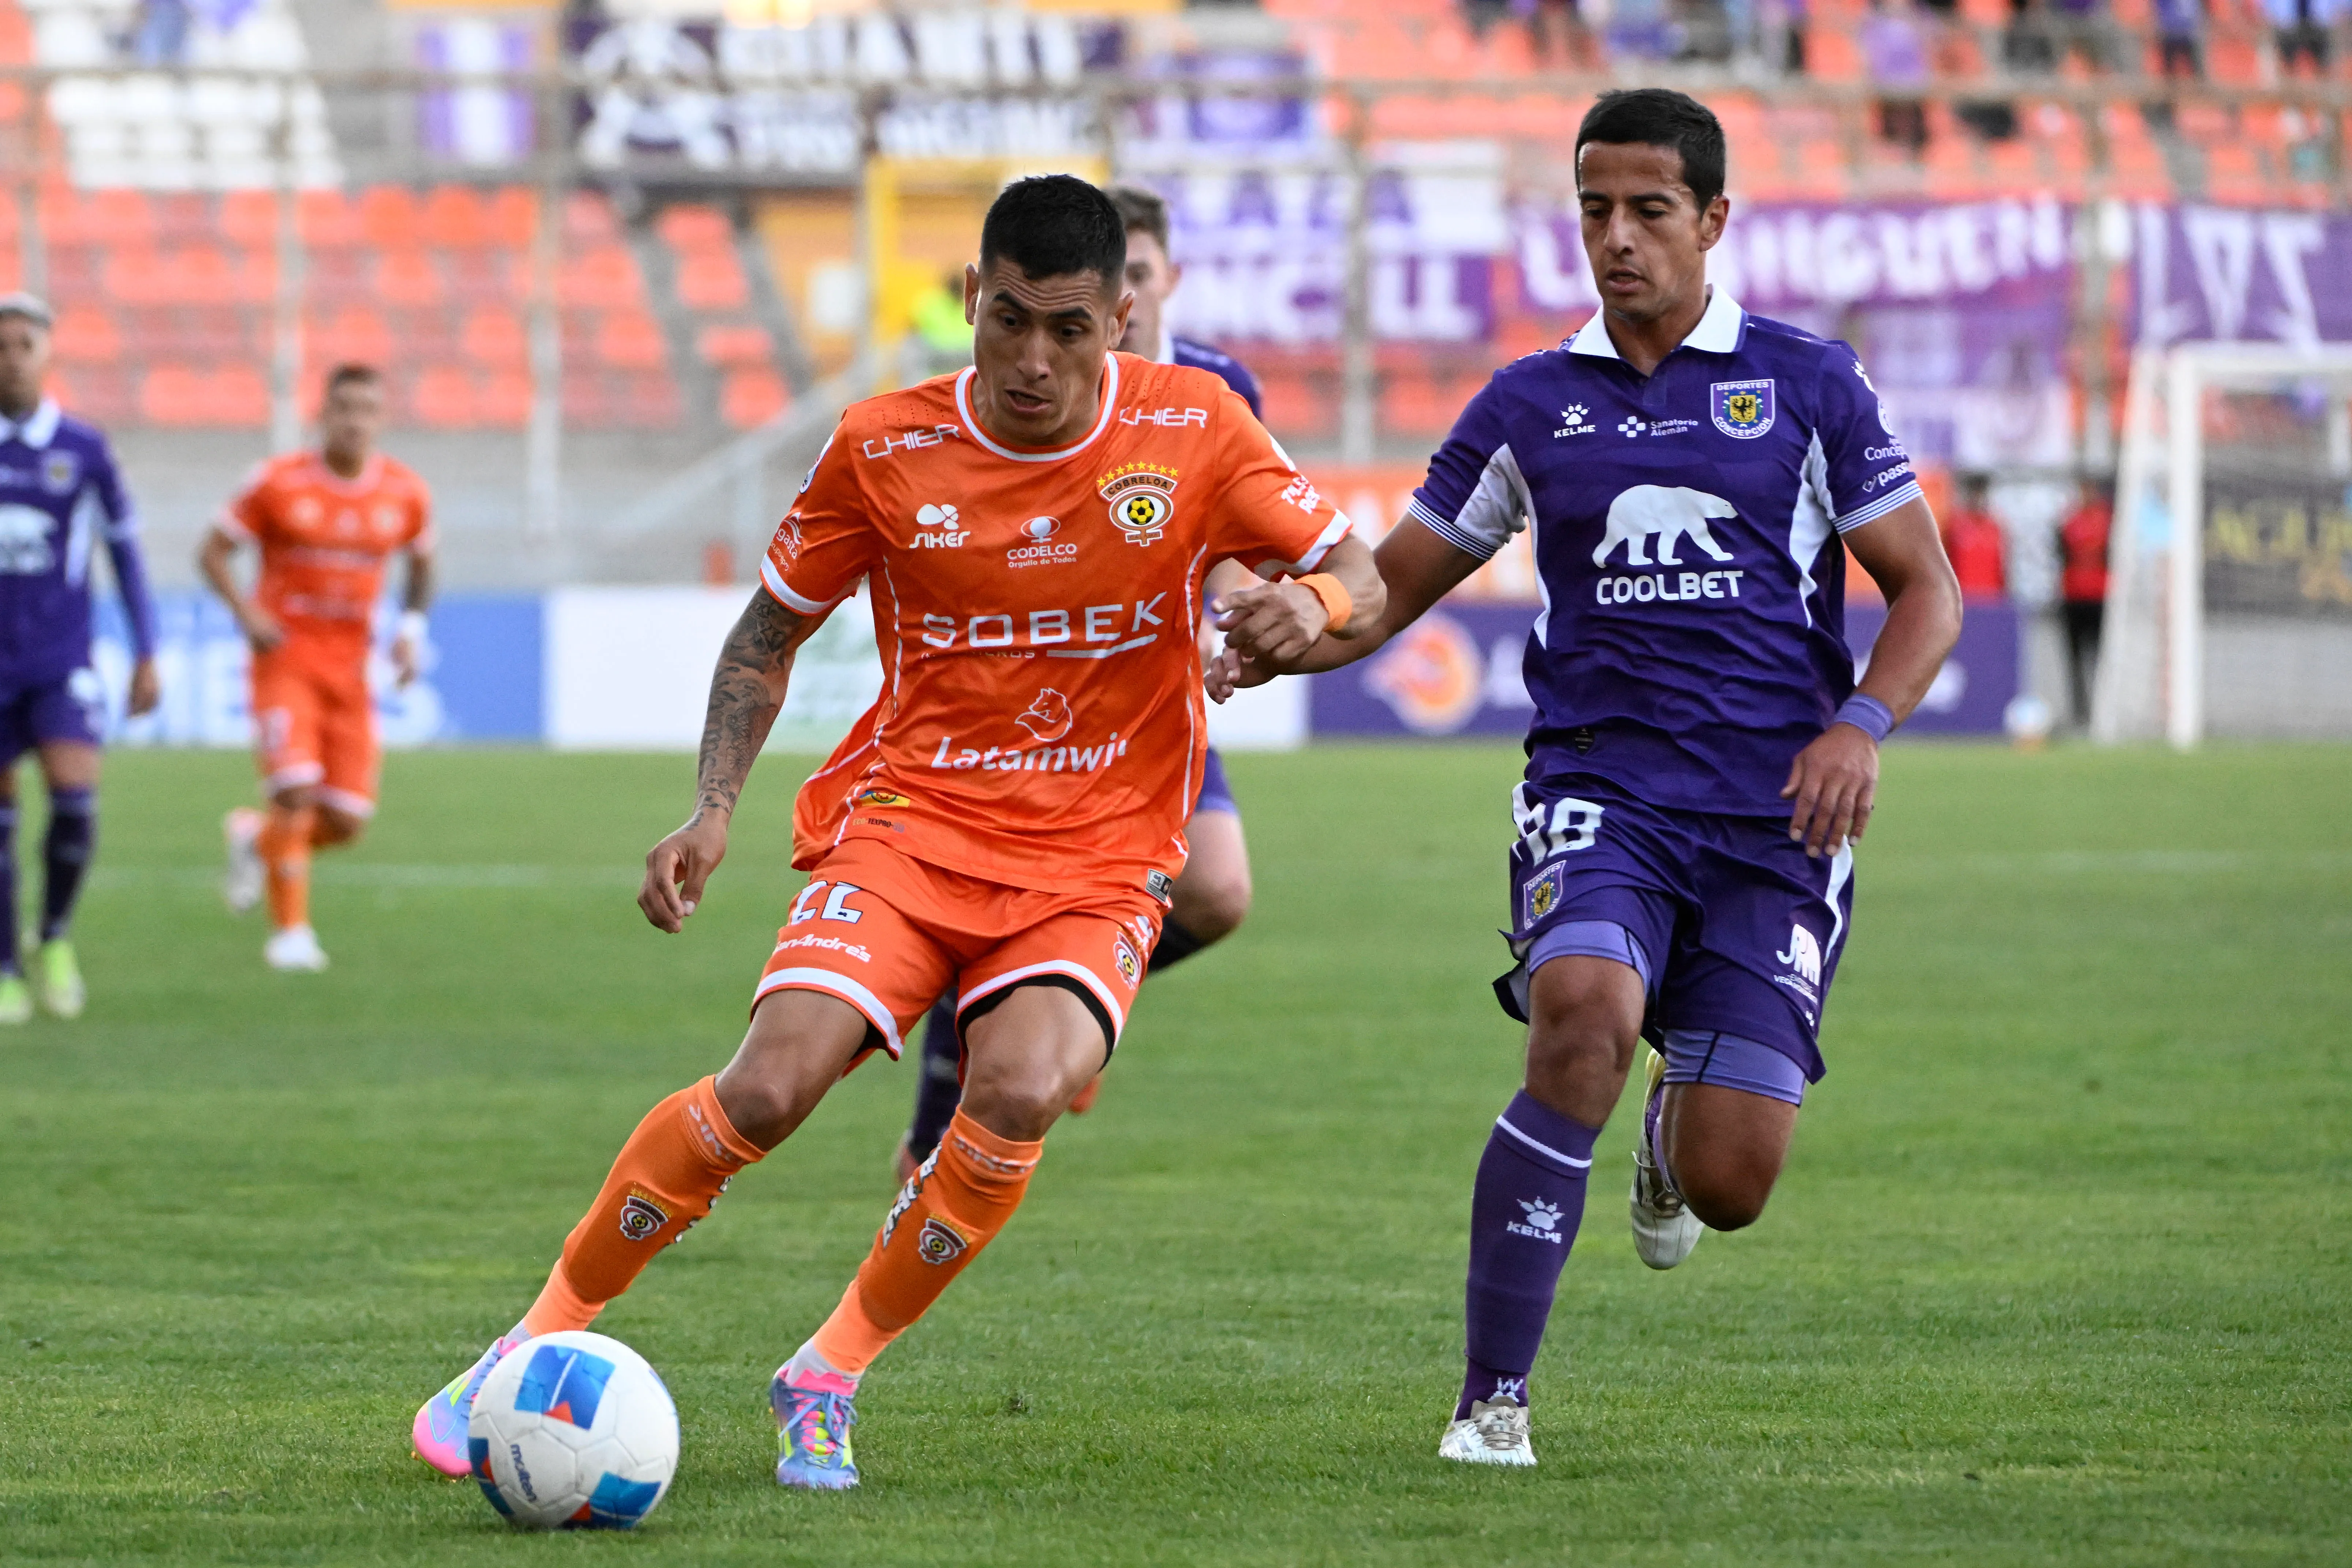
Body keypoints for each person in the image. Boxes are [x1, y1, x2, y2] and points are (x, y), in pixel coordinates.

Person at [405, 175, 1382, 1492]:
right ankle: (531, 1339)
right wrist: (712, 805)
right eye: (1011, 320)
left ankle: (828, 1370)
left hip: (1099, 847)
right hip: (914, 823)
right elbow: (768, 633)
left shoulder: (1195, 426)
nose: (1035, 359)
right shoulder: (881, 443)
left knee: (1023, 1087)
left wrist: (1310, 604)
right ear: (973, 299)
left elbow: (1363, 573)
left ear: (1123, 317)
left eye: (1071, 329)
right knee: (768, 1085)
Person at [1209, 88, 1963, 1468]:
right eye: (1594, 212)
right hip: (1600, 790)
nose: (1617, 240)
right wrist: (1296, 626)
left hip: (1772, 819)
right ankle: (1492, 1398)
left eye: (1649, 212)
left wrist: (1859, 723)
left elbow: (1929, 590)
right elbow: (1385, 590)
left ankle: (1678, 1132)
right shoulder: (1530, 403)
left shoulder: (1807, 383)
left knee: (1735, 1188)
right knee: (1581, 1015)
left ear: (1714, 221)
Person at [890, 181, 1267, 1182]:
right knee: (979, 905)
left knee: (1219, 892)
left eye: (1135, 276)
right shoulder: (1029, 386)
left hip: (1153, 701)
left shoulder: (1214, 393)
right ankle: (937, 1129)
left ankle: (1074, 1016)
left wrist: (1243, 607)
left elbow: (1243, 529)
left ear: (1150, 290)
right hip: (1026, 707)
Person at [200, 364, 434, 972]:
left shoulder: (404, 493)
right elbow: (213, 551)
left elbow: (423, 562)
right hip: (285, 659)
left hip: (351, 669)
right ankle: (291, 933)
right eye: (344, 408)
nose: (355, 420)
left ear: (381, 419)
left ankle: (254, 837)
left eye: (367, 409)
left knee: (345, 820)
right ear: (323, 415)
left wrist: (409, 631)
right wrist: (246, 611)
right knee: (296, 790)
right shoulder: (277, 484)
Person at [0, 292, 161, 1023]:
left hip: (60, 658)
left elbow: (126, 556)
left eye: (21, 346)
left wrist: (147, 649)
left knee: (76, 800)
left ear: (46, 354)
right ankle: (4, 968)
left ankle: (54, 936)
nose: (9, 360)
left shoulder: (84, 450)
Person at [2057, 477, 2111, 729]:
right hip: (2073, 596)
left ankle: (2102, 709)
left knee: (2101, 658)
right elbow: (2060, 555)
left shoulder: (2107, 520)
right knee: (2075, 658)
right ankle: (2080, 711)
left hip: (2101, 597)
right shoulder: (2069, 521)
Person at [1941, 473, 2007, 599]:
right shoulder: (1955, 525)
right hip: (1963, 597)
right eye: (1975, 493)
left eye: (1981, 493)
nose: (1978, 499)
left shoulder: (1995, 527)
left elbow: (2002, 566)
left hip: (1991, 597)